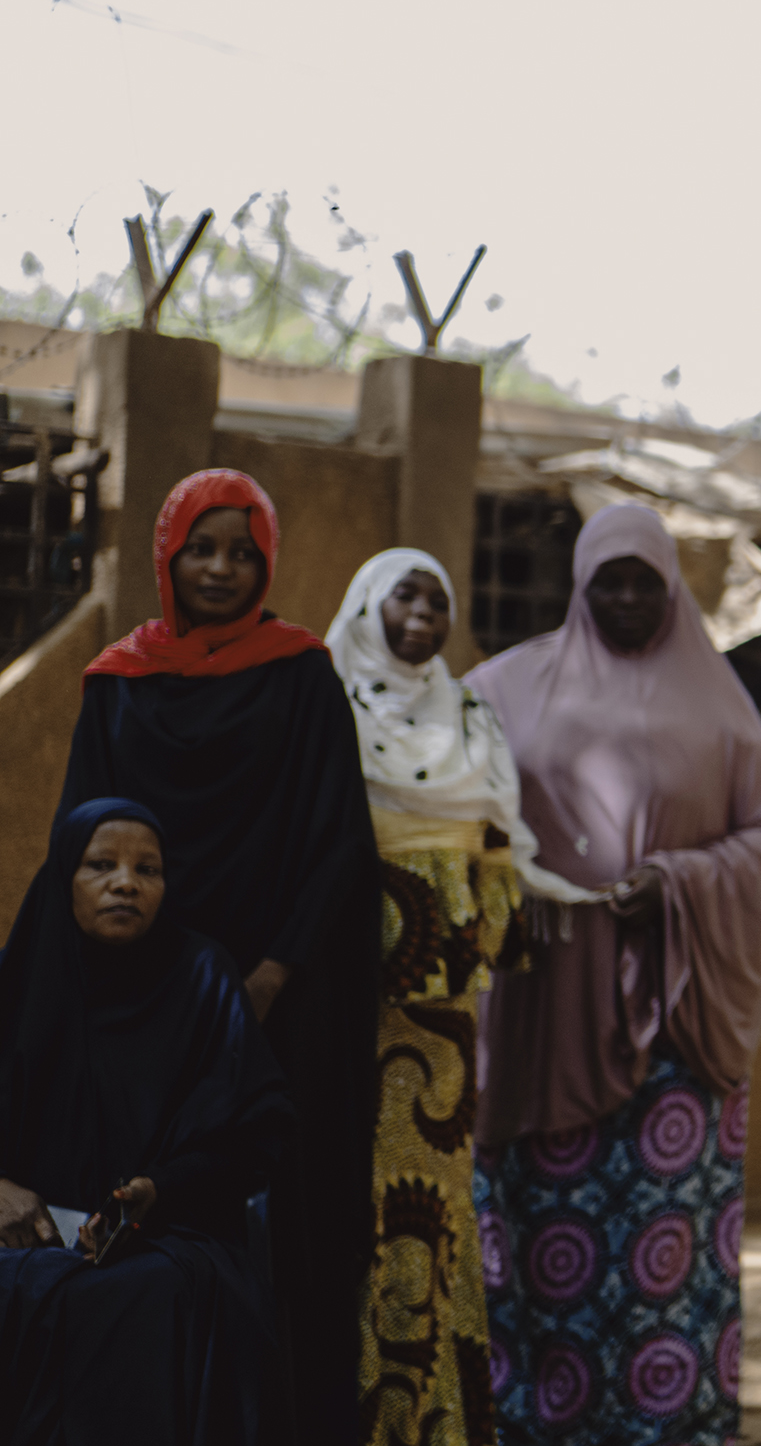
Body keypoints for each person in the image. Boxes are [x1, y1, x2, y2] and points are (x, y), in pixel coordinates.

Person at [54, 467, 382, 1438]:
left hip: (284, 997)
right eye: (201, 547)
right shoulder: (118, 683)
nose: (221, 568)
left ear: (268, 563)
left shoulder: (301, 675)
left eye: (243, 552)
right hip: (151, 994)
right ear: (167, 555)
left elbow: (338, 843)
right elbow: (84, 839)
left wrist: (274, 971)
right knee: (153, 1200)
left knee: (288, 1218)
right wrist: (160, 985)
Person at [466, 501, 761, 1446]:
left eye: (643, 580)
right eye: (605, 579)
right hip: (544, 1011)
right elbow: (443, 796)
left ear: (671, 586)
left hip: (676, 1031)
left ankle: (666, 1427)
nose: (623, 597)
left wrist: (682, 883)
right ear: (578, 584)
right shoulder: (502, 687)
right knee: (543, 1240)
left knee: (665, 1258)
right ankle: (544, 1424)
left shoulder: (718, 700)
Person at [326, 546, 583, 1445]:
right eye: (407, 595)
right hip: (338, 1007)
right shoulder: (327, 706)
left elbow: (499, 856)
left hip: (441, 1019)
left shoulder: (467, 711)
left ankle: (433, 1416)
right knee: (340, 1202)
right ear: (366, 605)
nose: (425, 616)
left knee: (427, 1204)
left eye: (439, 602)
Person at [0, 798, 294, 1442]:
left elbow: (255, 1131)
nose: (125, 882)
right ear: (63, 879)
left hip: (171, 1237)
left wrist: (159, 1189)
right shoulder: (17, 983)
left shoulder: (202, 977)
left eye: (148, 869)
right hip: (19, 1238)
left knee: (147, 1293)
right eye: (100, 864)